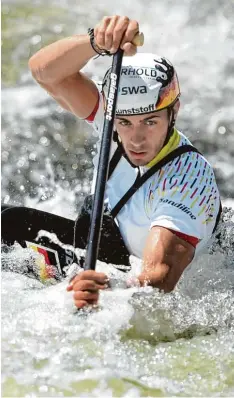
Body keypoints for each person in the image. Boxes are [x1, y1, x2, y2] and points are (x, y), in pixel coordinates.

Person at [13, 15, 223, 308]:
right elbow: (45, 72)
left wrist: (105, 293)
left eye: (150, 122)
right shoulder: (110, 121)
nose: (135, 139)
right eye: (125, 122)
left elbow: (157, 283)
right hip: (113, 252)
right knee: (7, 223)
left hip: (149, 287)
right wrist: (95, 43)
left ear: (174, 111)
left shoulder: (187, 180)